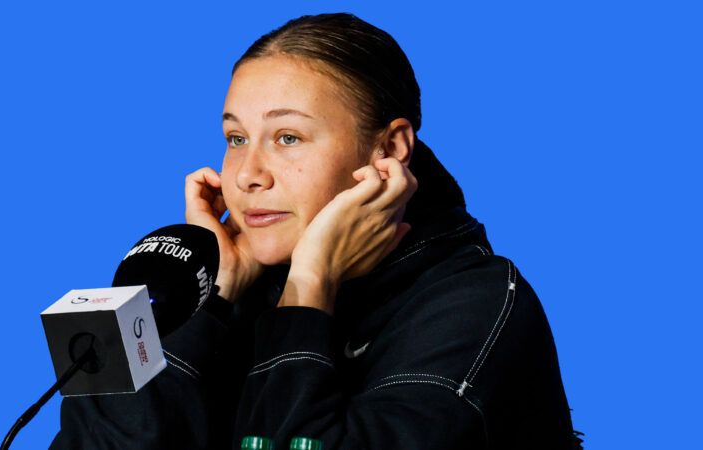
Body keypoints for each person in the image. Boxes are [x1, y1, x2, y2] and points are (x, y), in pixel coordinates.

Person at [50, 13, 583, 449]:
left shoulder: (480, 302)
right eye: (235, 138)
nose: (247, 175)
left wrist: (309, 288)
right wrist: (210, 296)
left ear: (390, 150)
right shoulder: (228, 274)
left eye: (287, 137)